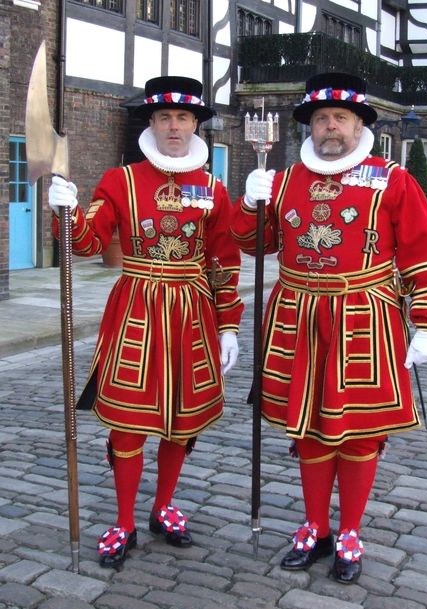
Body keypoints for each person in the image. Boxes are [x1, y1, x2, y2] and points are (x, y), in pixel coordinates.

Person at [231, 72, 427, 584]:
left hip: (364, 318)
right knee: (308, 429)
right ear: (309, 126)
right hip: (297, 315)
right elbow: (255, 245)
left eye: (341, 119)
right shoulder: (283, 180)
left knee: (357, 432)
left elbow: (421, 255)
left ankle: (349, 530)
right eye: (321, 119)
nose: (331, 128)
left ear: (359, 125)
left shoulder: (394, 180)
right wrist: (249, 202)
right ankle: (315, 525)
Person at [48, 76, 244, 568]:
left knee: (180, 422)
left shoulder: (213, 188)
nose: (173, 126)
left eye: (182, 118)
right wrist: (66, 213)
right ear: (152, 123)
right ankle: (124, 520)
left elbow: (223, 261)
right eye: (164, 118)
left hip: (193, 313)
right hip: (136, 307)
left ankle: (163, 507)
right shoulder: (121, 181)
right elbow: (89, 242)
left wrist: (229, 325)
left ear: (195, 123)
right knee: (128, 424)